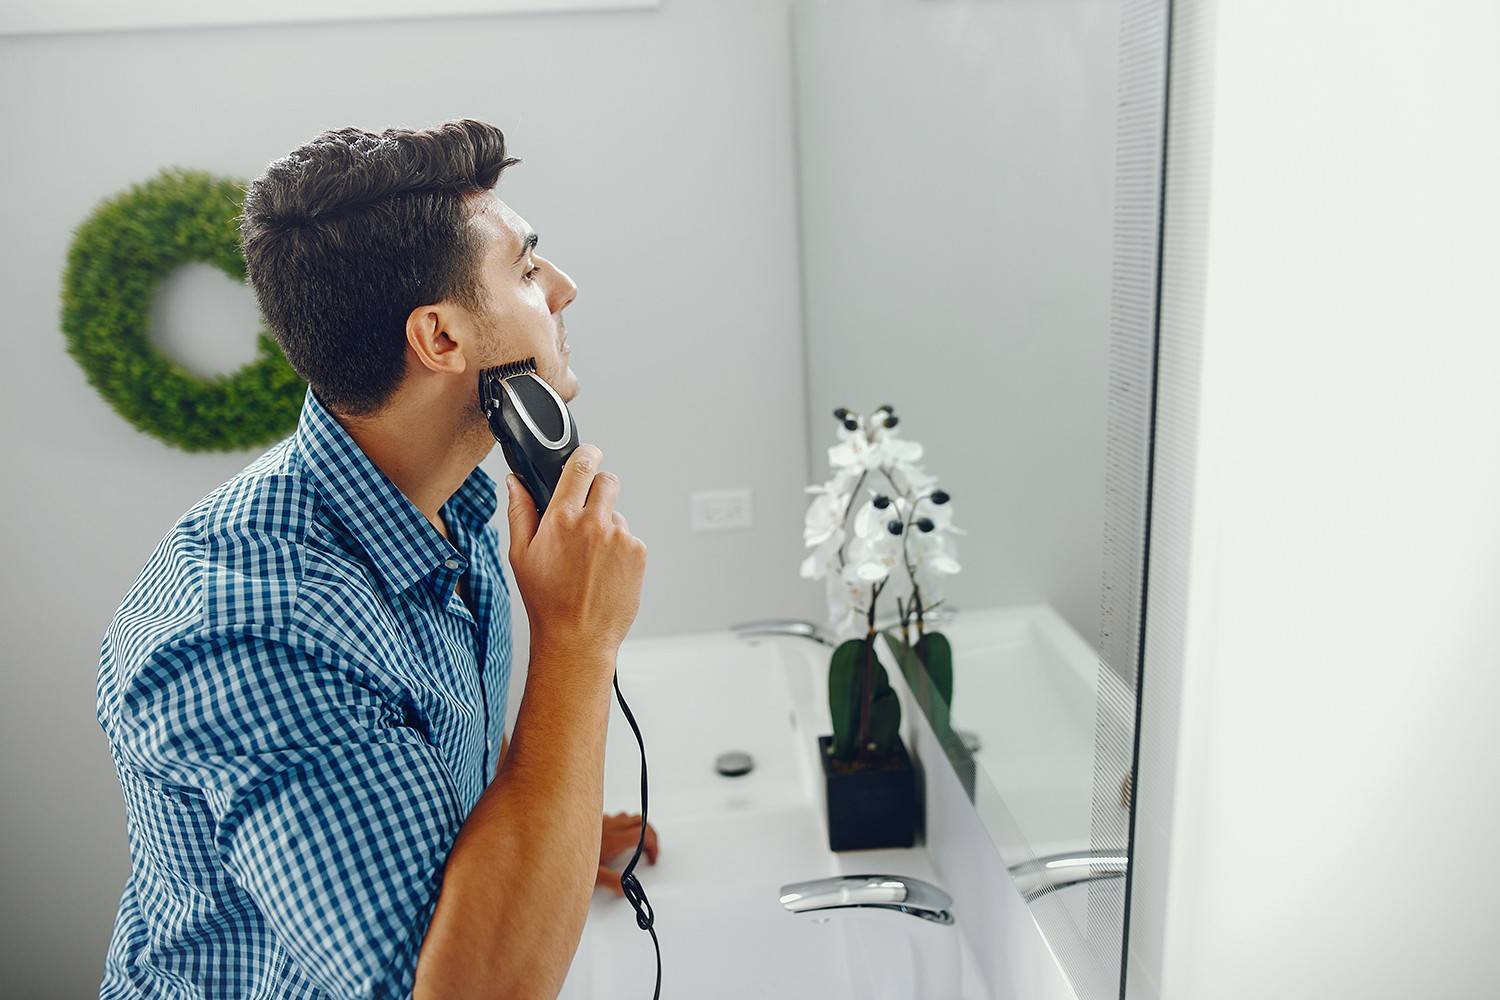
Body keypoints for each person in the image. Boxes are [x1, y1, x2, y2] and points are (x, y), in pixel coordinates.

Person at [94, 119, 656, 998]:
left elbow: (423, 772)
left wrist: (553, 836)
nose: (565, 287)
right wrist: (578, 643)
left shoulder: (458, 501)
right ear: (440, 340)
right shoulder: (255, 635)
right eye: (525, 268)